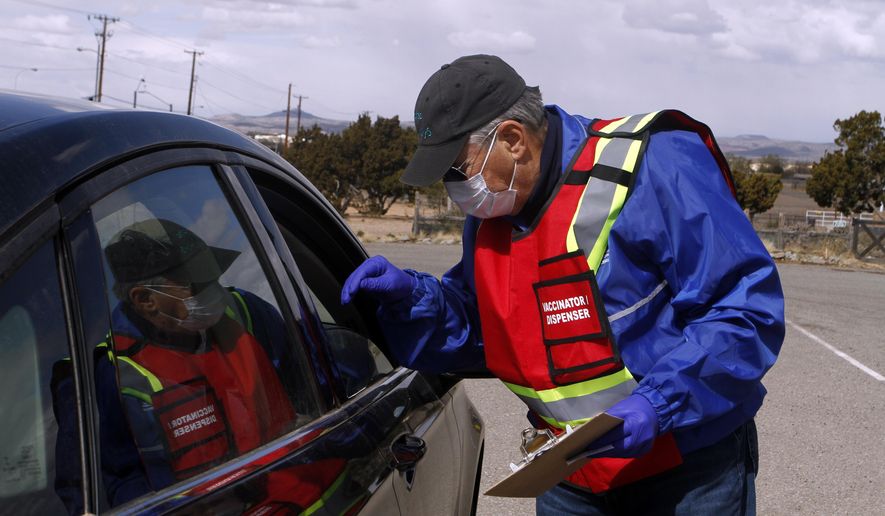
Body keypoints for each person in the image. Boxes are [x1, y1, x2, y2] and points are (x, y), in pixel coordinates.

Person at [341, 54, 785, 514]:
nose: (455, 189)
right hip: (573, 472)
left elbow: (744, 312)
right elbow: (487, 327)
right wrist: (413, 300)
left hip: (686, 469)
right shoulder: (495, 208)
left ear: (512, 139)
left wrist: (659, 404)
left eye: (457, 169)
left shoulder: (654, 167)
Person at [51, 219, 311, 512]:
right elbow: (111, 488)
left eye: (214, 275)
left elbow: (316, 382)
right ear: (146, 300)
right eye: (197, 284)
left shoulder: (248, 314)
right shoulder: (107, 378)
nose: (215, 291)